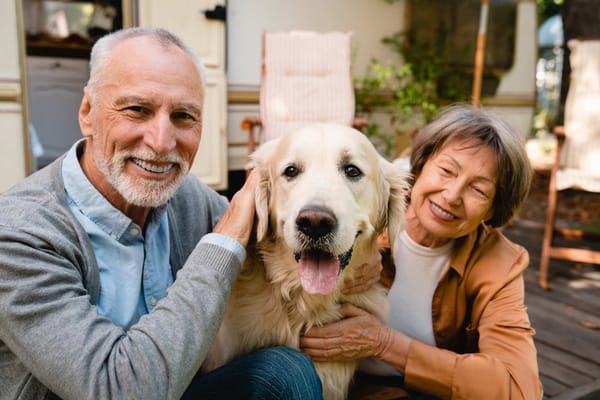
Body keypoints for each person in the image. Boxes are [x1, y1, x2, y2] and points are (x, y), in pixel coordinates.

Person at [0, 27, 327, 400]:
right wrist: (224, 241)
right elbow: (117, 391)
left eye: (184, 116)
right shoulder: (17, 233)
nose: (161, 142)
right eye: (138, 110)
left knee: (283, 372)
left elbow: (281, 247)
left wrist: (364, 264)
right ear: (88, 112)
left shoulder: (186, 199)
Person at [300, 105, 544, 399]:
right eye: (446, 171)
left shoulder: (499, 262)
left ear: (494, 209)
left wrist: (385, 344)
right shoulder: (360, 214)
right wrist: (370, 248)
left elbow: (519, 389)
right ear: (422, 164)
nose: (452, 196)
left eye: (478, 190)